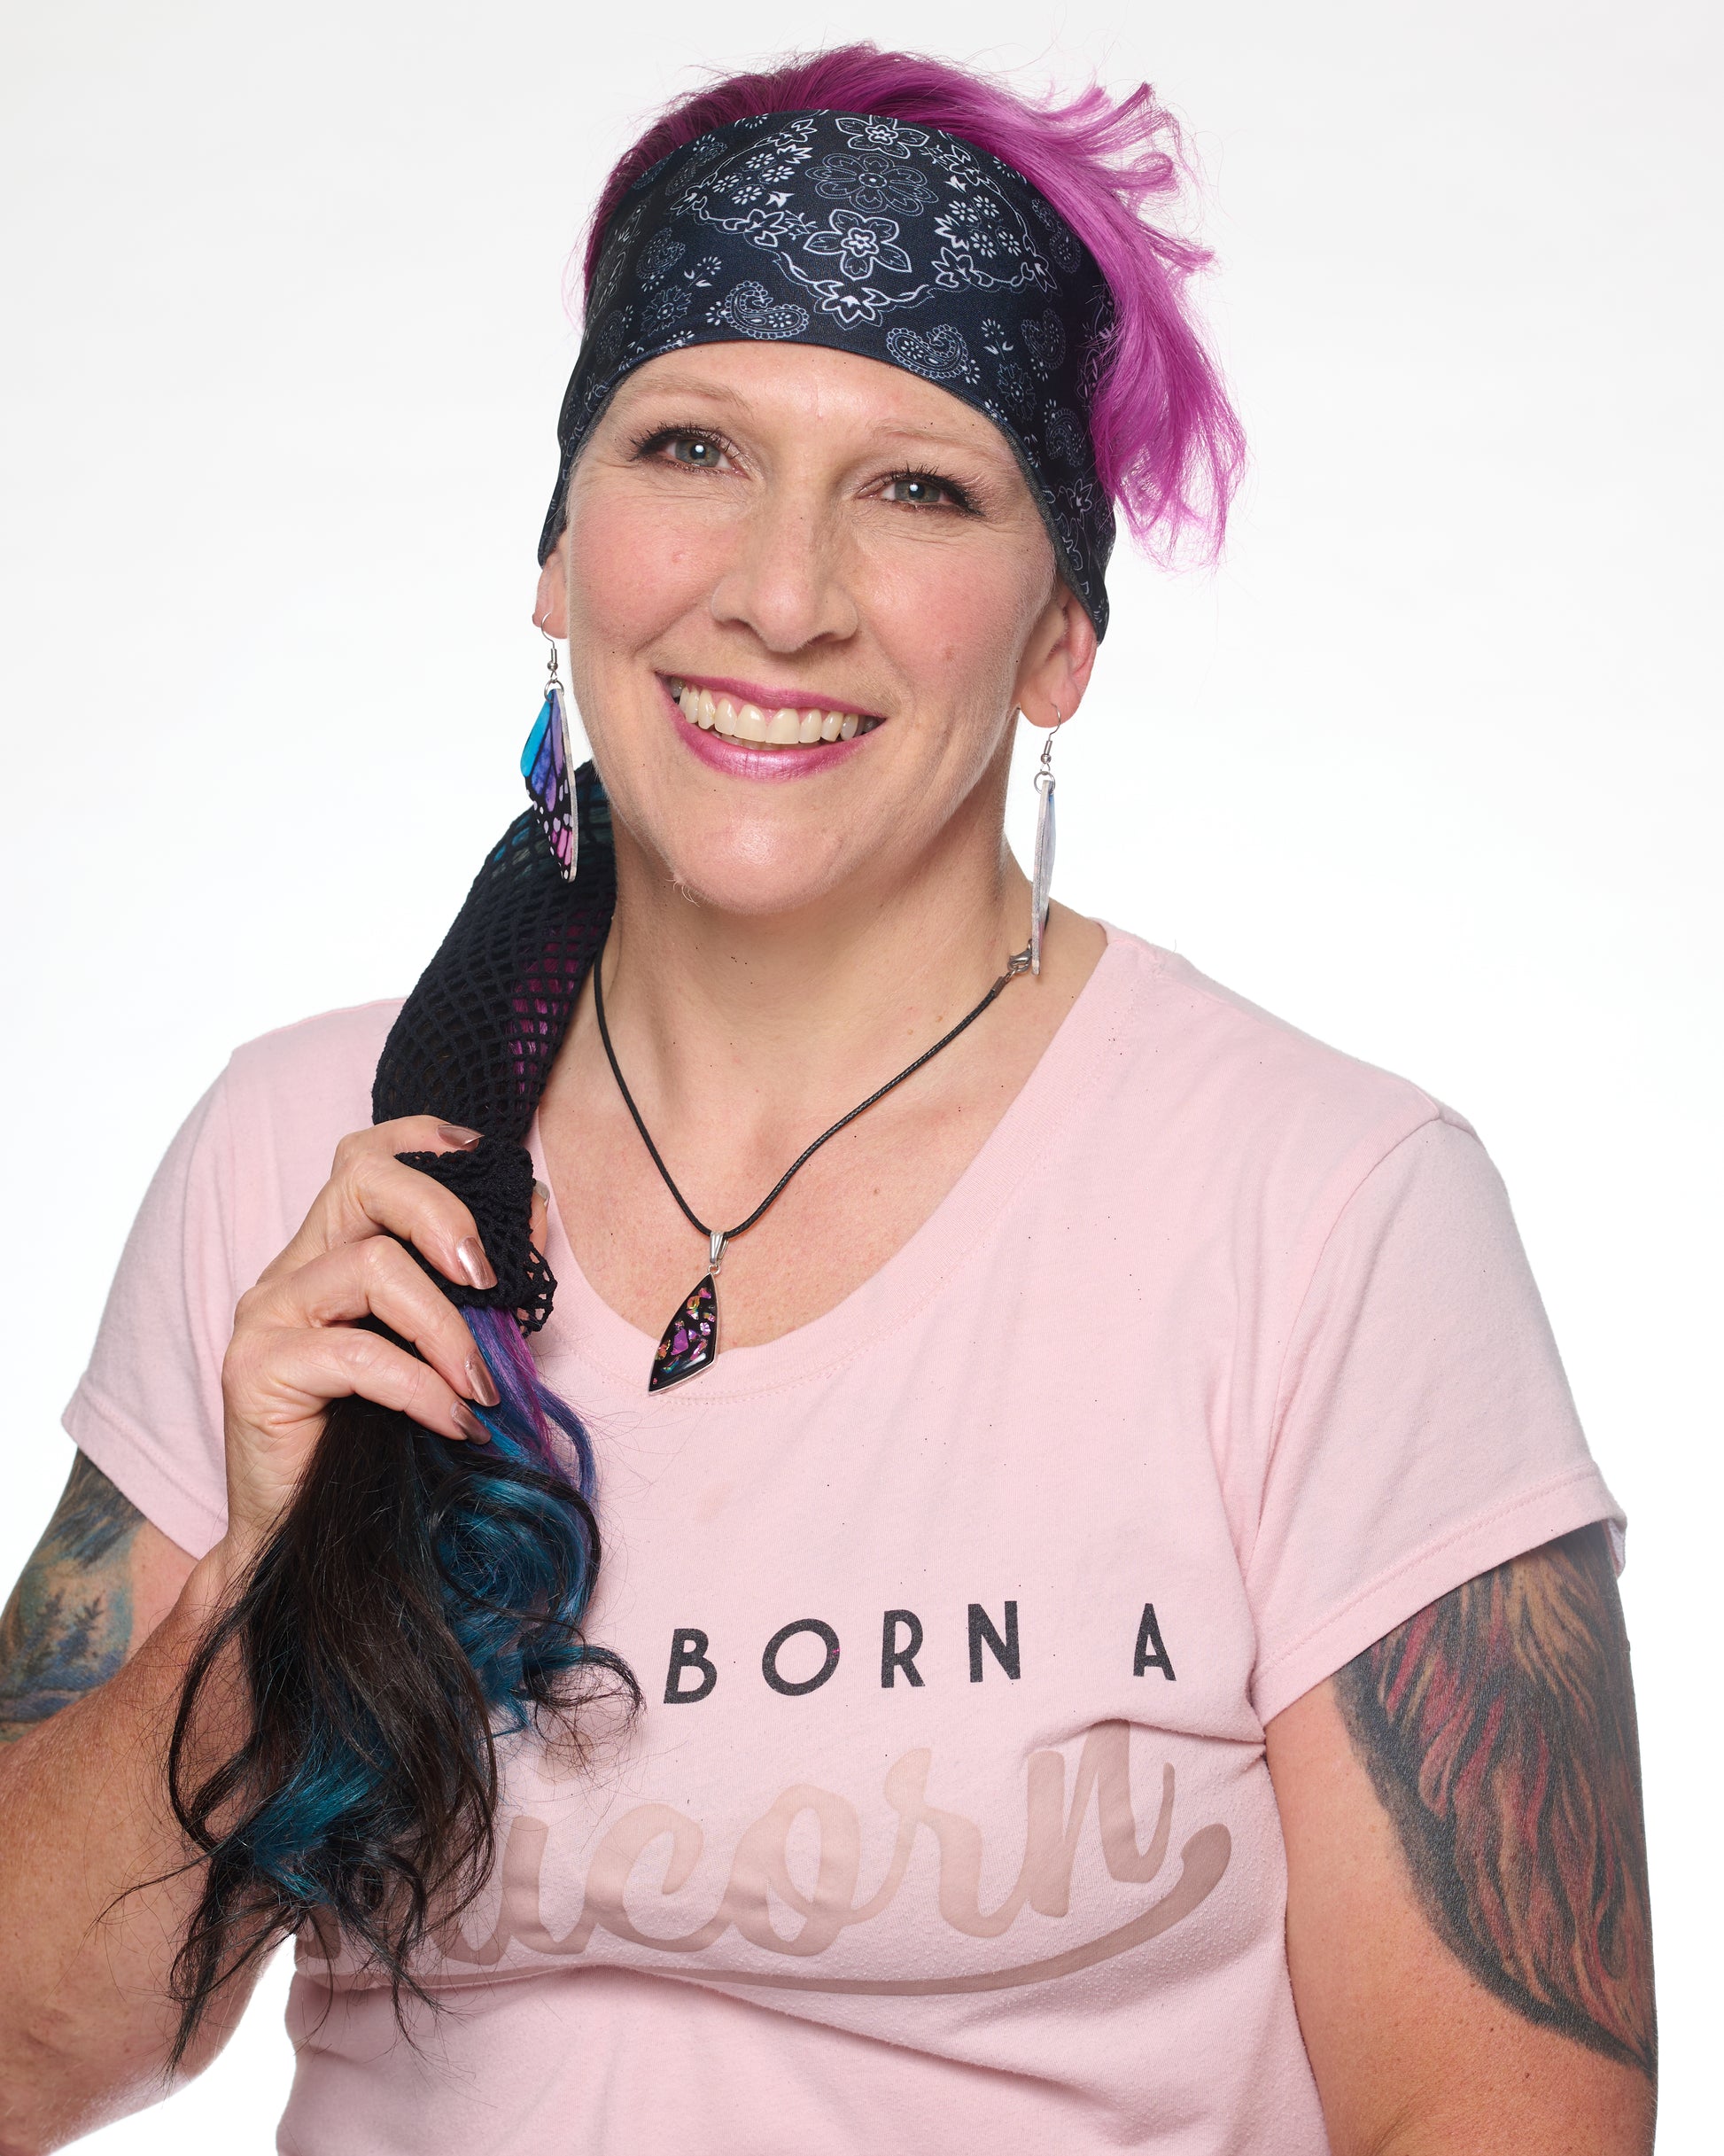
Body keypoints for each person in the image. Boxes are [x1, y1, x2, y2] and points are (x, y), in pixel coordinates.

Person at [0, 42, 1653, 2156]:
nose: (778, 591)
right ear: (554, 548)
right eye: (692, 445)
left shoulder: (1324, 1208)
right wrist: (258, 1579)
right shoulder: (318, 1158)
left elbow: (1514, 2117)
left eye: (916, 484)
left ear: (1063, 629)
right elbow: (29, 2057)